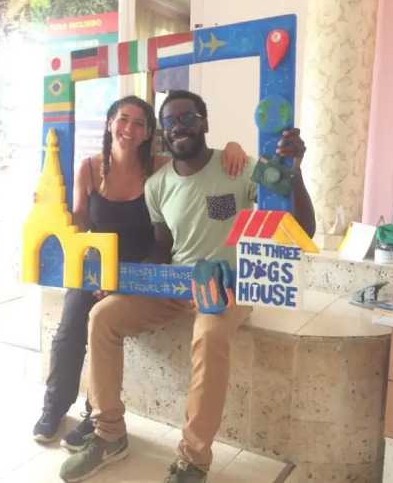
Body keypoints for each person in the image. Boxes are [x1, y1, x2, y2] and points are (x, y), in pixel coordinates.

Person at [58, 90, 315, 482]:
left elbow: (303, 228)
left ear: (204, 122)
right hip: (176, 286)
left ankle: (193, 460)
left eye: (188, 118)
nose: (179, 126)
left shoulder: (239, 167)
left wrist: (292, 171)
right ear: (163, 132)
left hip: (228, 289)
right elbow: (163, 248)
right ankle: (108, 434)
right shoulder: (157, 185)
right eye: (170, 121)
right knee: (102, 316)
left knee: (210, 335)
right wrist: (129, 283)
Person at [33, 95, 251, 451]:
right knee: (75, 323)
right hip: (107, 268)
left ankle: (105, 419)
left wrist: (234, 146)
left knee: (198, 333)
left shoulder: (162, 167)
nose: (129, 129)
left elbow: (199, 163)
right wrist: (58, 223)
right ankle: (62, 408)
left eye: (139, 123)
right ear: (109, 123)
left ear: (149, 132)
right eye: (123, 119)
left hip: (151, 268)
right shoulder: (95, 169)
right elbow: (81, 221)